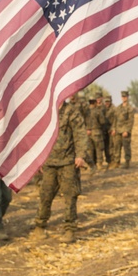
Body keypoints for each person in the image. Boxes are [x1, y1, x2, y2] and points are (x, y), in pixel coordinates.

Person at [30, 99, 87, 243]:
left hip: (68, 162)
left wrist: (80, 155)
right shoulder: (46, 111)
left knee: (70, 196)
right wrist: (38, 159)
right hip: (49, 162)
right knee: (45, 195)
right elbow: (37, 136)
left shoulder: (71, 111)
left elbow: (80, 134)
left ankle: (69, 229)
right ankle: (40, 226)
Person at [110, 90, 135, 169]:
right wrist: (113, 129)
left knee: (126, 147)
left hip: (125, 131)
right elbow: (115, 119)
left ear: (127, 97)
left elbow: (130, 121)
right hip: (117, 130)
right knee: (116, 147)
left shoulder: (129, 108)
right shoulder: (118, 107)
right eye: (122, 97)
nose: (124, 98)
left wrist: (127, 131)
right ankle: (117, 162)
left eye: (125, 97)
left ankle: (127, 162)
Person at [85, 95, 107, 169]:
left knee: (90, 149)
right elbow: (102, 121)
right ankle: (99, 164)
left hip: (87, 132)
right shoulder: (98, 111)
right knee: (99, 149)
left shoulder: (85, 111)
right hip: (97, 132)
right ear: (94, 103)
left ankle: (91, 165)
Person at [101, 95, 115, 168]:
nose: (107, 103)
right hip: (103, 131)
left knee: (111, 147)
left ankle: (111, 161)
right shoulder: (102, 109)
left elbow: (116, 120)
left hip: (110, 130)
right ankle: (107, 161)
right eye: (106, 102)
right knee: (104, 147)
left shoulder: (113, 109)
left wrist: (113, 129)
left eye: (108, 101)